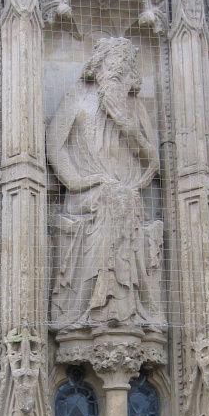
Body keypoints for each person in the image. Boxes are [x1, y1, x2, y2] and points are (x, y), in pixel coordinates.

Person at [47, 36, 162, 329]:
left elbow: (153, 162)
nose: (117, 69)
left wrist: (126, 125)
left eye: (124, 65)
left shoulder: (134, 108)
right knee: (110, 199)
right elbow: (54, 145)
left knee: (117, 199)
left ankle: (127, 309)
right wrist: (76, 181)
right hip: (86, 192)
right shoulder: (77, 96)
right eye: (112, 62)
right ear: (97, 65)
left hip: (124, 195)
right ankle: (87, 307)